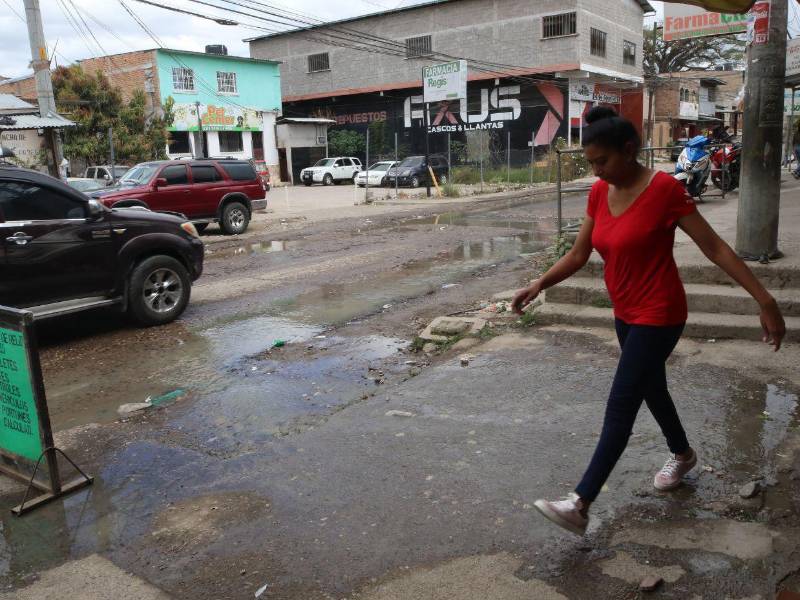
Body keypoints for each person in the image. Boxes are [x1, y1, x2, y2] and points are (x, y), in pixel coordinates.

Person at [512, 106, 786, 536]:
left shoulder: (664, 191)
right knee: (651, 388)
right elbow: (580, 253)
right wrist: (539, 284)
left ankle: (580, 502)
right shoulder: (599, 193)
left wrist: (765, 300)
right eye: (591, 164)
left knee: (623, 400)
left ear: (628, 150)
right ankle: (683, 454)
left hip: (660, 312)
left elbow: (714, 248)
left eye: (602, 161)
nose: (597, 171)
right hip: (625, 311)